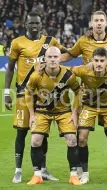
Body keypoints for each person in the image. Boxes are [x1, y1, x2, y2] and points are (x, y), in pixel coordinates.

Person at [60, 10, 107, 181]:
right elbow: (70, 55)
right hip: (87, 96)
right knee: (81, 137)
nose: (98, 23)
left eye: (101, 20)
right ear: (91, 23)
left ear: (106, 23)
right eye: (96, 20)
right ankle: (83, 172)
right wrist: (53, 60)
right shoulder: (83, 40)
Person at [4, 11, 66, 183]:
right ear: (26, 24)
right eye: (31, 23)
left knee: (42, 133)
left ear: (41, 24)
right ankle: (18, 170)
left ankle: (43, 169)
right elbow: (10, 68)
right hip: (24, 94)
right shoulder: (17, 43)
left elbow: (67, 54)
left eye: (37, 23)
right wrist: (7, 92)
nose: (34, 26)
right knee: (21, 132)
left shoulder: (50, 41)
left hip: (44, 96)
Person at [25, 46, 81, 185]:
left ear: (60, 58)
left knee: (72, 139)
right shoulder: (36, 75)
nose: (52, 59)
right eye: (49, 57)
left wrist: (75, 113)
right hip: (42, 111)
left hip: (63, 111)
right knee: (35, 140)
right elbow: (28, 93)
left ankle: (73, 175)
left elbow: (78, 91)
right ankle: (37, 175)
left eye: (55, 57)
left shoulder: (68, 75)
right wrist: (32, 115)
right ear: (44, 59)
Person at [71, 48, 107, 184]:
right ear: (91, 61)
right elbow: (66, 70)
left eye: (102, 61)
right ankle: (85, 173)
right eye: (96, 60)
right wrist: (43, 66)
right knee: (81, 138)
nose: (99, 63)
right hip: (89, 107)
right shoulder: (83, 70)